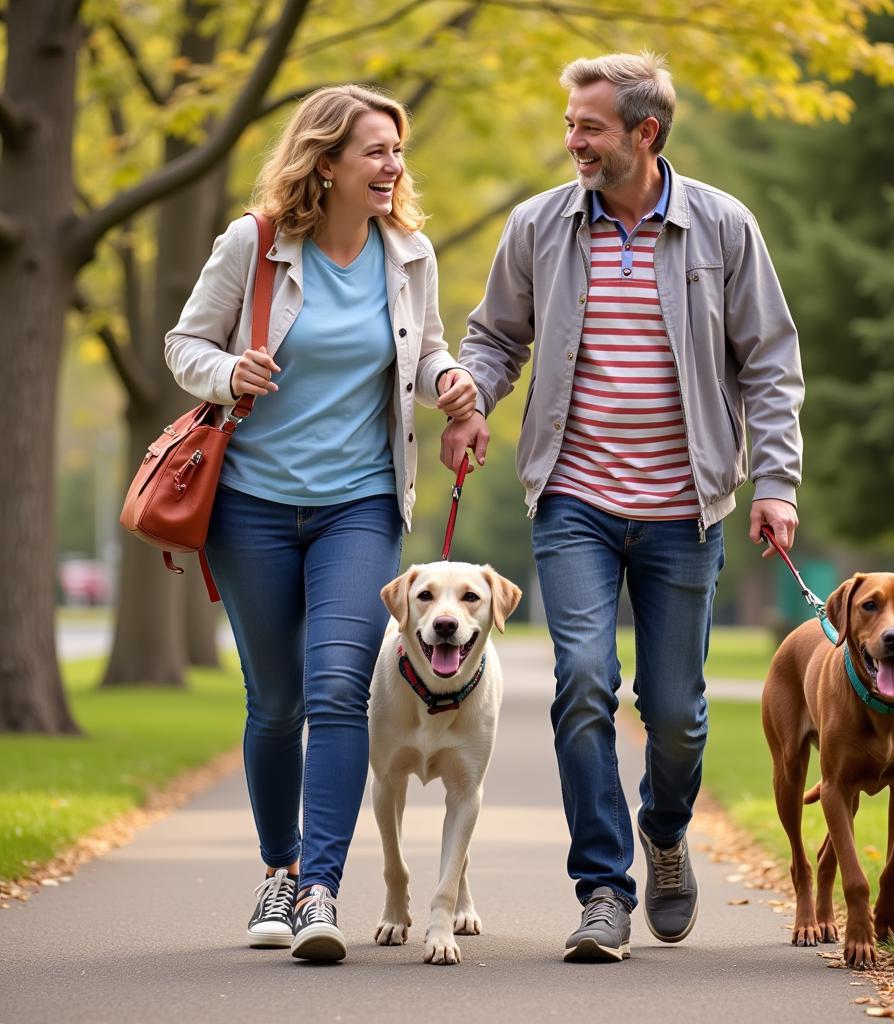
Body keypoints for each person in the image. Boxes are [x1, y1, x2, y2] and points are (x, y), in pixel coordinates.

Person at [441, 52, 803, 962]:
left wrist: (777, 483)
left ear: (645, 133)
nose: (573, 141)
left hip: (686, 506)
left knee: (675, 709)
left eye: (588, 126)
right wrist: (470, 401)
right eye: (569, 124)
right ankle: (602, 888)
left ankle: (666, 830)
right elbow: (495, 337)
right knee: (584, 683)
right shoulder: (540, 226)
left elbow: (770, 362)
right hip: (574, 498)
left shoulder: (723, 227)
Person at [166, 85, 476, 962]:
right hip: (253, 506)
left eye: (397, 151)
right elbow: (183, 345)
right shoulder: (255, 245)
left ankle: (320, 890)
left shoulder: (408, 254)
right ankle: (279, 865)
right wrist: (229, 374)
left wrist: (448, 382)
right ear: (326, 160)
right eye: (375, 151)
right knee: (276, 702)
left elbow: (423, 351)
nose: (392, 167)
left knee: (339, 689)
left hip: (360, 503)